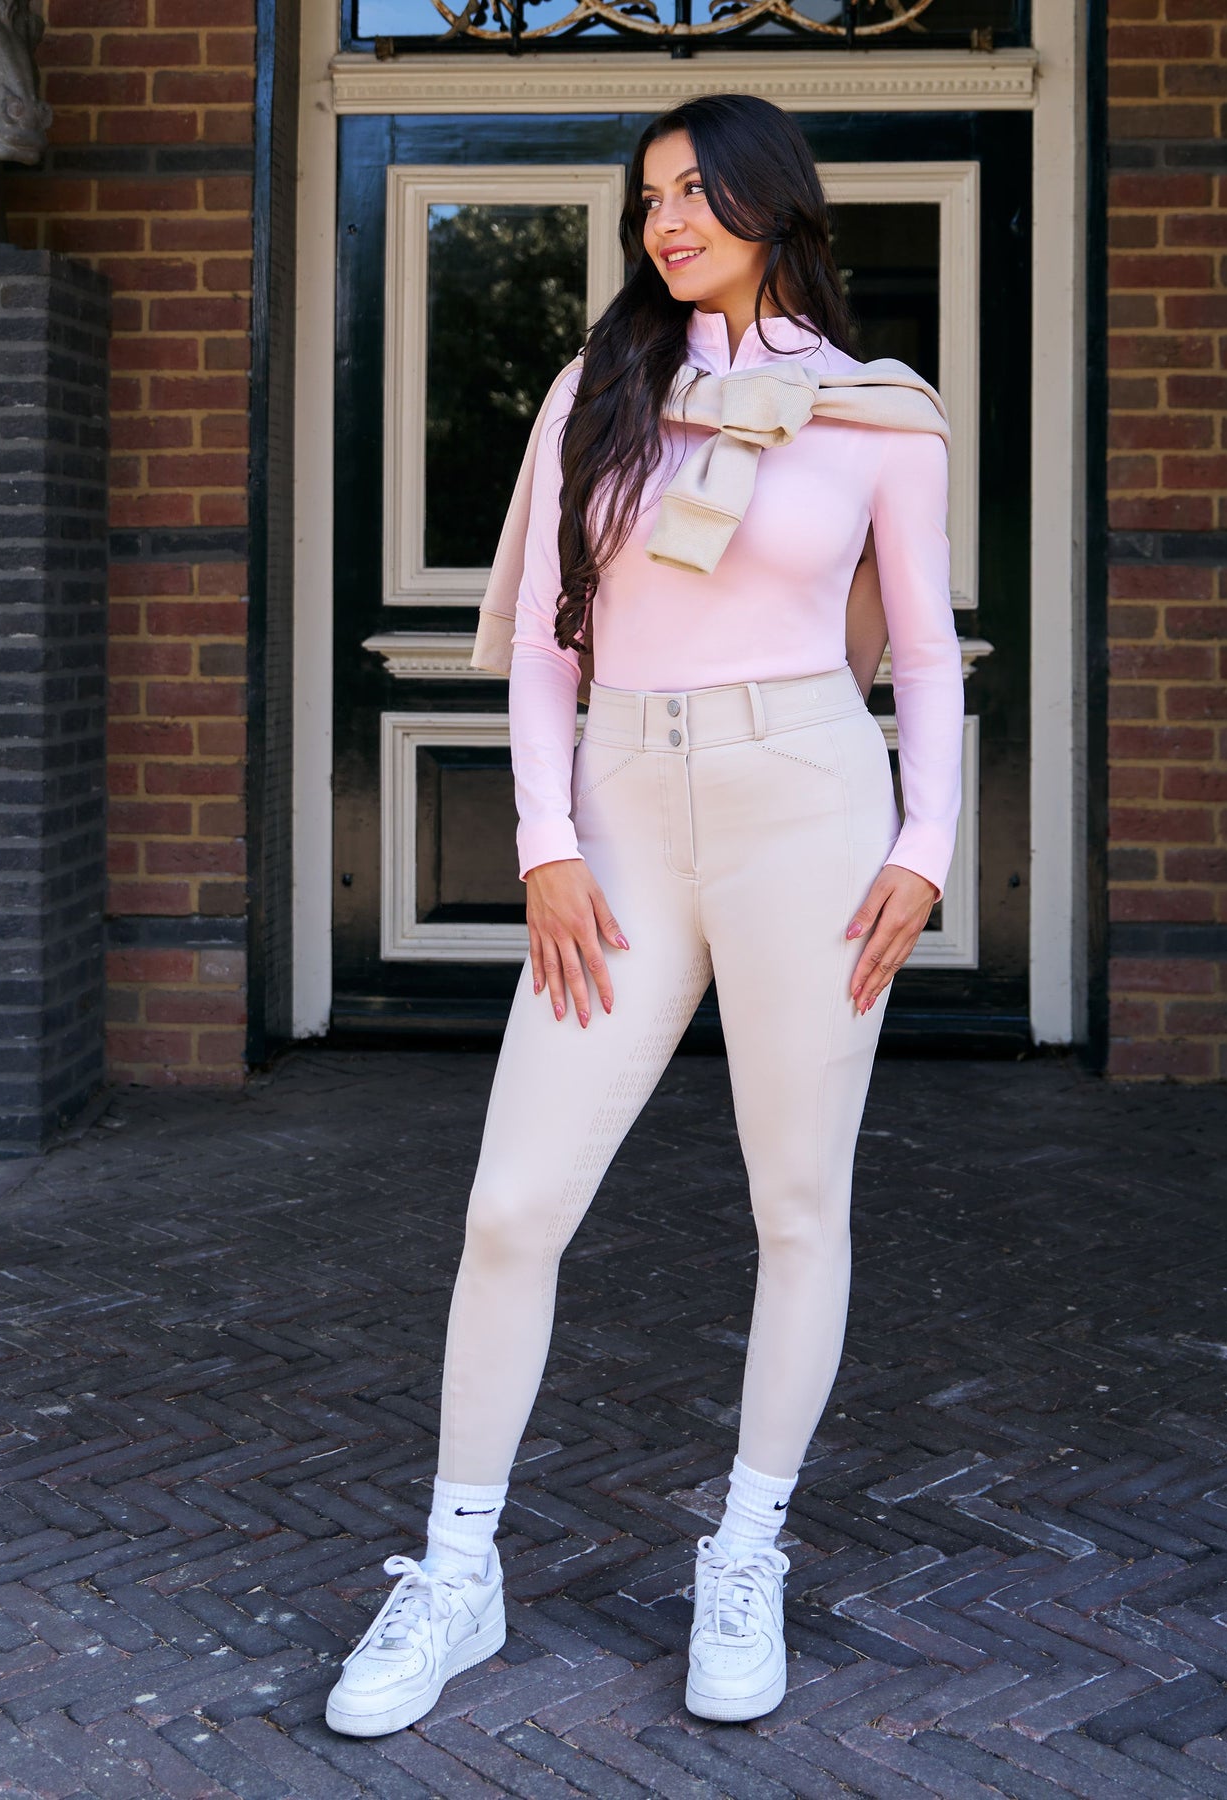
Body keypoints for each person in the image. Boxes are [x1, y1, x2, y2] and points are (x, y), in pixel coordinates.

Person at [326, 91, 962, 1737]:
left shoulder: (882, 415)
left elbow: (922, 649)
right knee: (513, 1206)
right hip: (617, 815)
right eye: (650, 196)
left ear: (774, 203)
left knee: (797, 1206)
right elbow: (552, 641)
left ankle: (745, 1550)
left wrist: (927, 844)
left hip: (809, 808)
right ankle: (456, 1571)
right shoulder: (597, 387)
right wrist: (544, 841)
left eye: (696, 192)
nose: (666, 220)